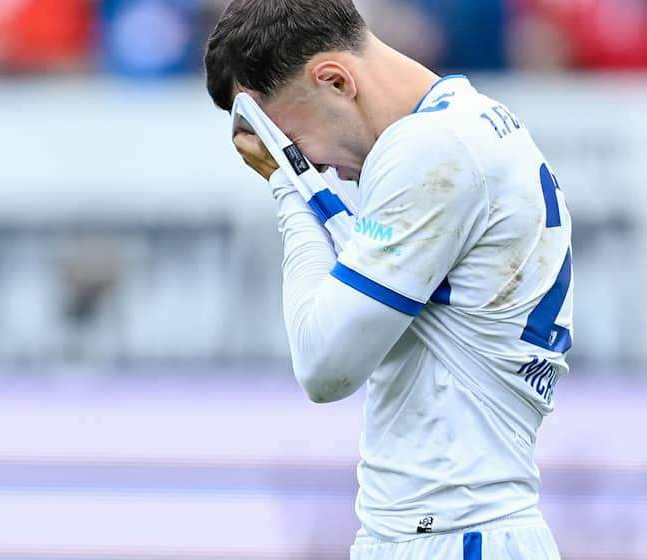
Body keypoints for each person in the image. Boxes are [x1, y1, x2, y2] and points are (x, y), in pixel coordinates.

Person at [205, 1, 573, 558]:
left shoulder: (430, 148)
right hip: (454, 529)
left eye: (292, 141)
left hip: (452, 535)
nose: (312, 166)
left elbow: (323, 365)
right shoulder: (468, 123)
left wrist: (287, 187)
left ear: (334, 80)